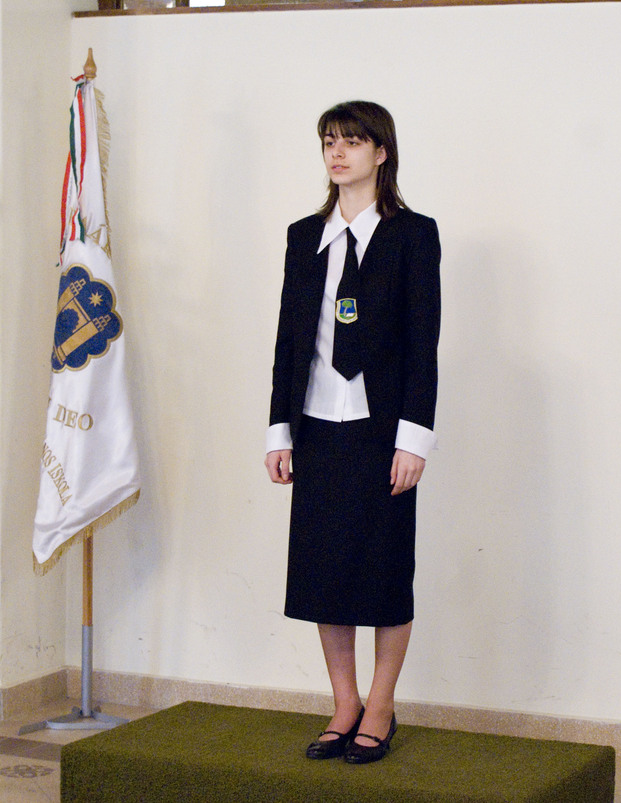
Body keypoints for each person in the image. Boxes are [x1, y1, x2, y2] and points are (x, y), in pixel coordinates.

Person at [264, 100, 441, 765]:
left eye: (352, 142)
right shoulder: (303, 237)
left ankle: (381, 706)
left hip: (382, 429)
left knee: (385, 568)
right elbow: (289, 340)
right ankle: (344, 703)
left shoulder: (412, 235)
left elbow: (422, 342)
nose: (337, 153)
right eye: (329, 142)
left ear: (381, 152)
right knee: (324, 568)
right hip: (317, 424)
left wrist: (414, 437)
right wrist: (279, 429)